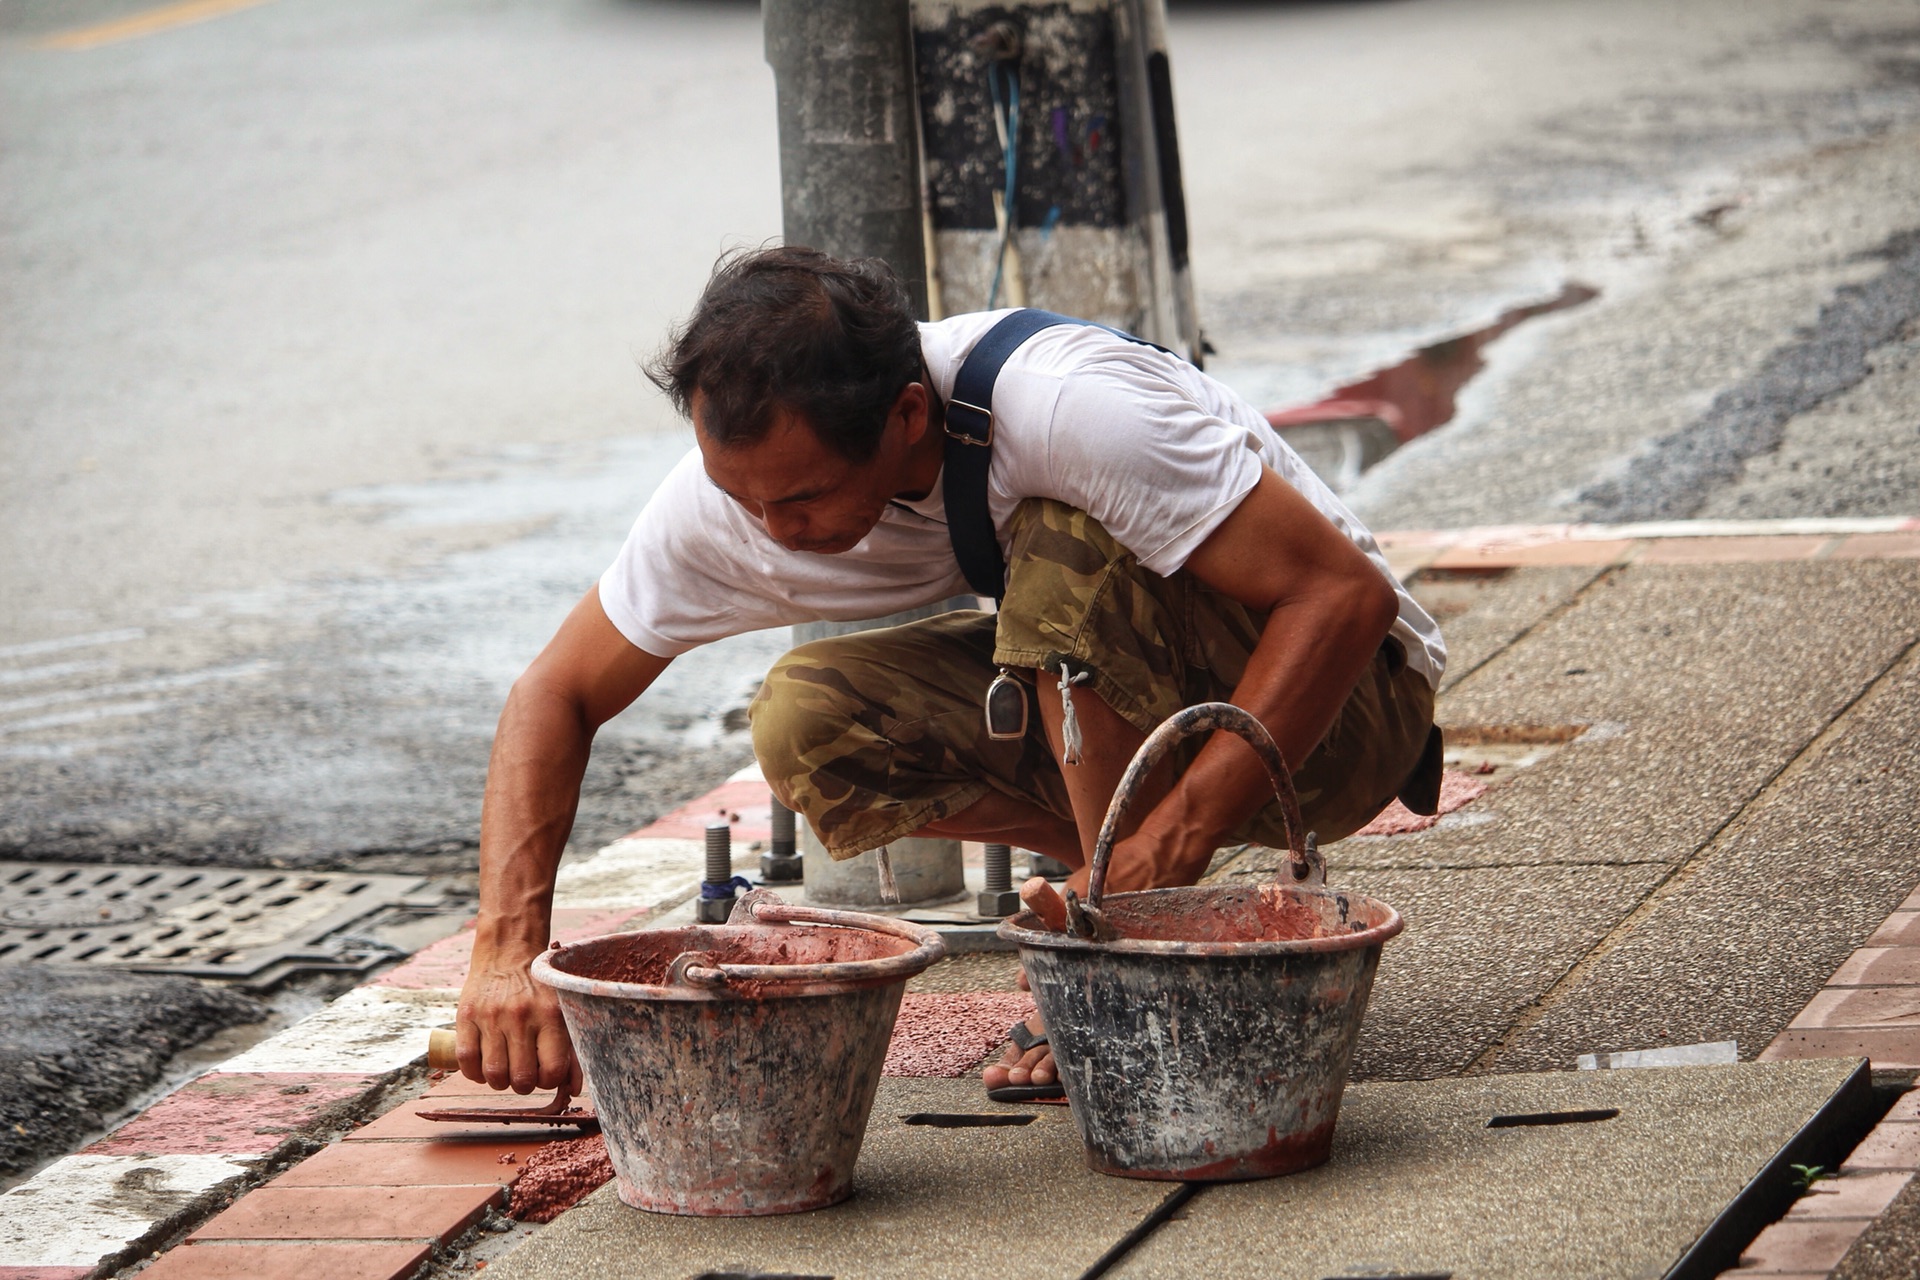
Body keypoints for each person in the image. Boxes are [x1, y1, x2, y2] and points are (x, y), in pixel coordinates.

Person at [454, 244, 1445, 1099]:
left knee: (1056, 535)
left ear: (908, 414)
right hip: (1162, 723)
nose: (771, 533)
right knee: (805, 716)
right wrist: (504, 949)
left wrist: (1164, 848)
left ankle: (1120, 941)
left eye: (801, 499)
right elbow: (557, 688)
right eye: (740, 497)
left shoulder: (1066, 406)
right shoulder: (736, 499)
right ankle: (1123, 904)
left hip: (1345, 712)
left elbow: (1342, 599)